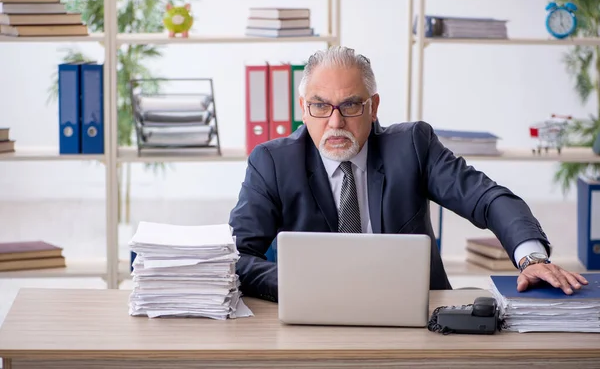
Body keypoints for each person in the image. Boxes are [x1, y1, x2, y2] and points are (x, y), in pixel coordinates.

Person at [229, 46, 588, 303]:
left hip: (416, 313)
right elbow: (238, 257)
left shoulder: (412, 146)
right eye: (320, 106)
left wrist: (532, 258)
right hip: (309, 313)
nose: (335, 122)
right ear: (303, 109)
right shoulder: (273, 162)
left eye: (351, 105)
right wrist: (302, 284)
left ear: (373, 107)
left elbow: (489, 199)